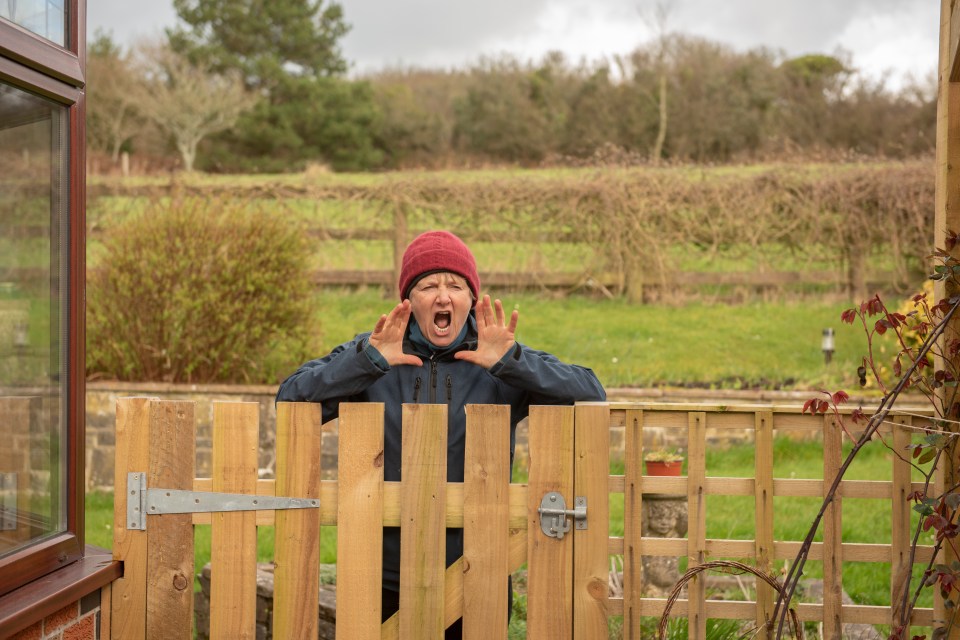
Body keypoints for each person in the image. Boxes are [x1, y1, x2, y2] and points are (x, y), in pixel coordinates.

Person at [276, 230, 606, 637]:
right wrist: (368, 363)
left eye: (456, 285)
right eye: (428, 285)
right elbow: (290, 398)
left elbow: (591, 394)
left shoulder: (500, 357)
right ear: (409, 300)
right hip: (381, 567)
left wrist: (512, 364)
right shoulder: (374, 351)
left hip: (478, 564)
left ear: (472, 298)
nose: (443, 296)